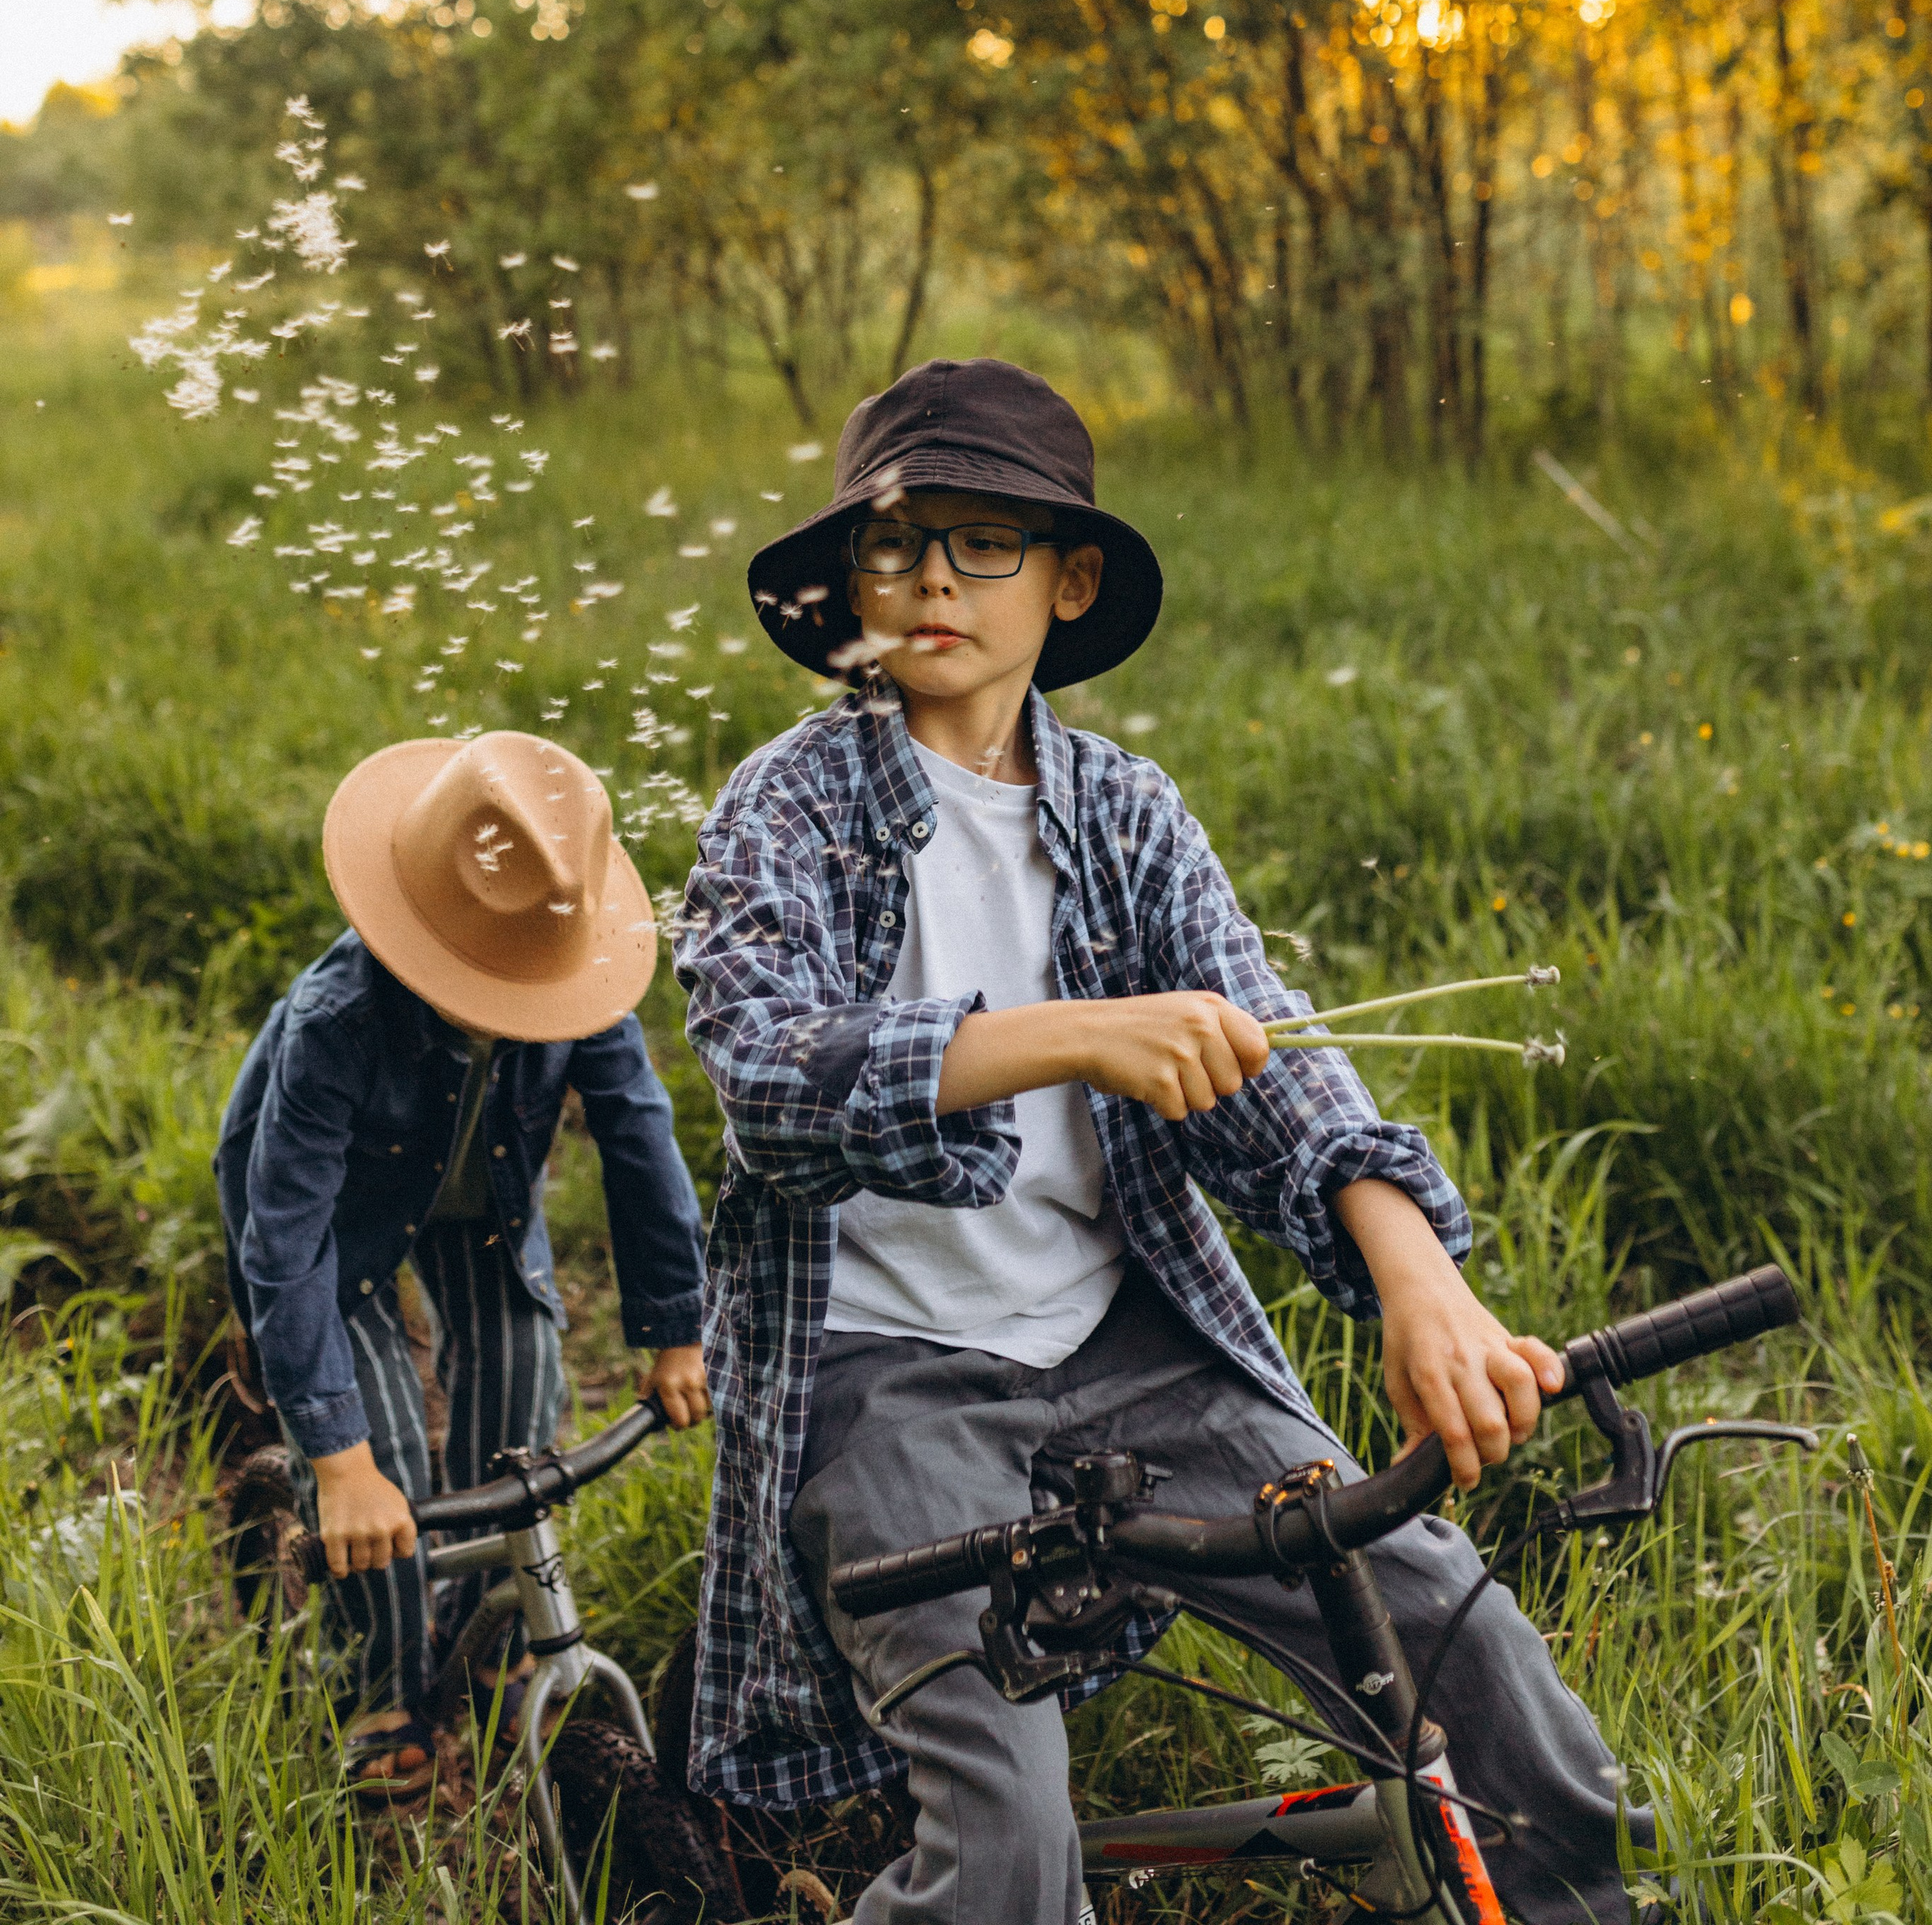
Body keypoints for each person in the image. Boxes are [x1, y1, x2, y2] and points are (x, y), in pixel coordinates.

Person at [675, 355, 1649, 1923]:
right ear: (847, 584)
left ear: (1066, 582)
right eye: (894, 541)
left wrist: (1417, 1282)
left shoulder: (1129, 814)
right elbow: (769, 1075)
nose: (932, 576)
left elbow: (1279, 1071)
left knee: (1477, 1677)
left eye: (982, 540)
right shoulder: (782, 808)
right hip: (878, 1369)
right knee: (1006, 1848)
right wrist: (1070, 1034)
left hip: (1127, 1345)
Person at [217, 727, 709, 1797]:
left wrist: (677, 1326)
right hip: (338, 1223)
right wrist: (340, 1460)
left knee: (522, 1411)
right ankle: (381, 1680)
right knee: (377, 1460)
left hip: (479, 1194)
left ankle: (484, 1642)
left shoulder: (578, 988)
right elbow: (285, 1242)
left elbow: (640, 1140)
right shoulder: (336, 1023)